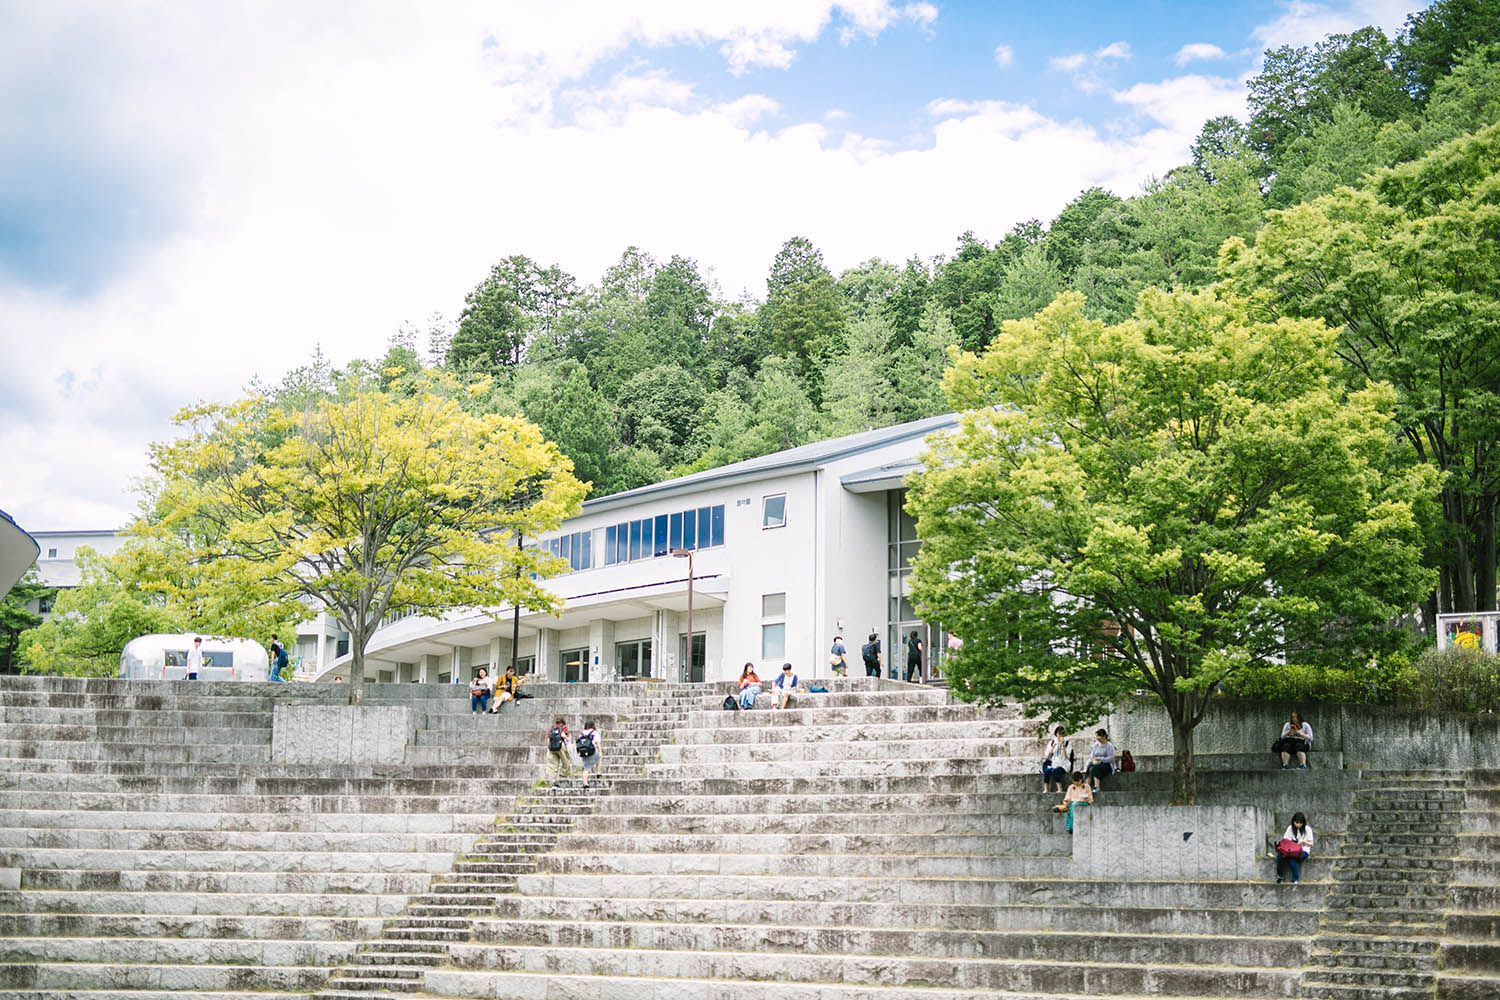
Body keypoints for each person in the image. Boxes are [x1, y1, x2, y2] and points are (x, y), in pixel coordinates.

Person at [1276, 812, 1315, 884]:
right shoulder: (1290, 828)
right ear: (1293, 821)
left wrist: (1303, 842)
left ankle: (1295, 879)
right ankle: (1280, 876)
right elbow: (1285, 841)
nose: (1298, 825)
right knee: (1279, 855)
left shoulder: (1307, 829)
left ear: (1303, 823)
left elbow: (1311, 844)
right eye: (1296, 822)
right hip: (1290, 850)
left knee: (1292, 859)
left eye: (1300, 823)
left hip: (1303, 850)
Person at [1042, 725, 1071, 794]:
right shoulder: (1052, 742)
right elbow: (1048, 756)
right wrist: (1053, 747)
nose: (1060, 736)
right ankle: (1046, 789)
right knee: (1047, 771)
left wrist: (1063, 745)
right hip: (1053, 763)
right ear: (1056, 734)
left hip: (1064, 764)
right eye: (1059, 734)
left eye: (1062, 734)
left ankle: (1059, 788)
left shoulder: (1067, 743)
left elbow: (1067, 756)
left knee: (1056, 771)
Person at [545, 717, 573, 784]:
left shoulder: (552, 728)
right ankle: (563, 774)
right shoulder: (563, 727)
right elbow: (562, 735)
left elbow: (548, 738)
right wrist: (567, 739)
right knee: (565, 761)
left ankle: (553, 780)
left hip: (552, 747)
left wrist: (549, 746)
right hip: (560, 746)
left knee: (553, 764)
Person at [575, 719, 600, 789]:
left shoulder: (582, 733)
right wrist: (600, 751)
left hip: (583, 752)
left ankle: (585, 783)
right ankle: (598, 772)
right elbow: (598, 743)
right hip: (592, 751)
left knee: (586, 768)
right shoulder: (594, 732)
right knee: (599, 758)